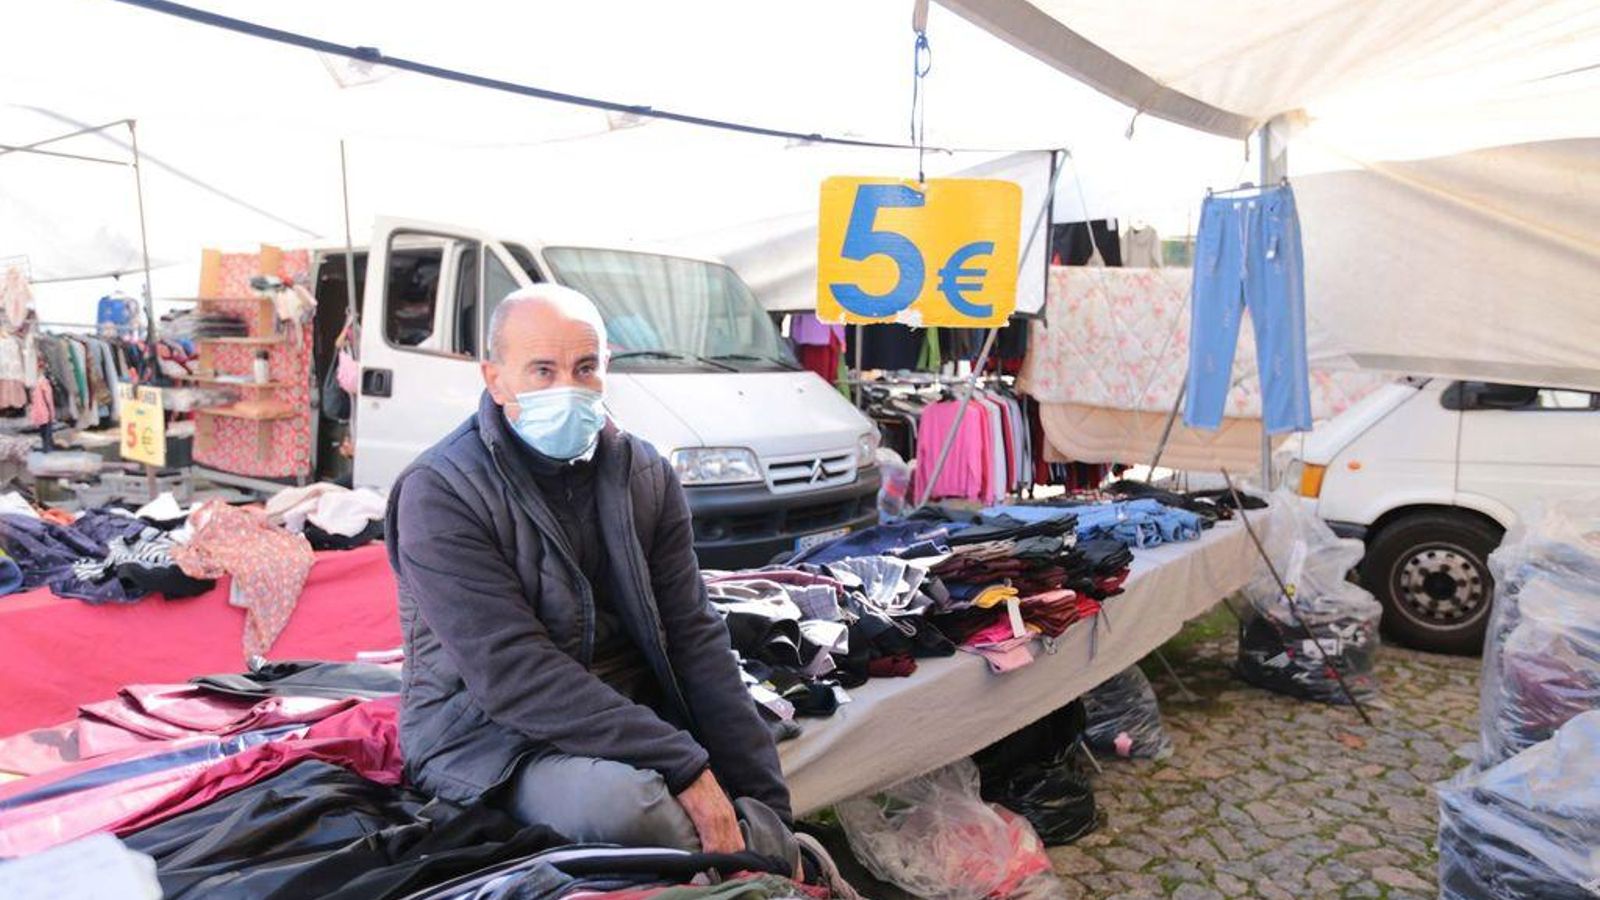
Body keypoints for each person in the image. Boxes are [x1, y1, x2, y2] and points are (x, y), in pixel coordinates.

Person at [386, 284, 790, 852]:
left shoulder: (645, 473)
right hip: (488, 736)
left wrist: (771, 808)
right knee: (643, 812)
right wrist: (683, 764)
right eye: (543, 371)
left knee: (755, 755)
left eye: (584, 369)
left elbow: (694, 635)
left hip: (619, 710)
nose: (567, 390)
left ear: (607, 368)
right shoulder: (441, 492)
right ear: (495, 379)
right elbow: (514, 675)